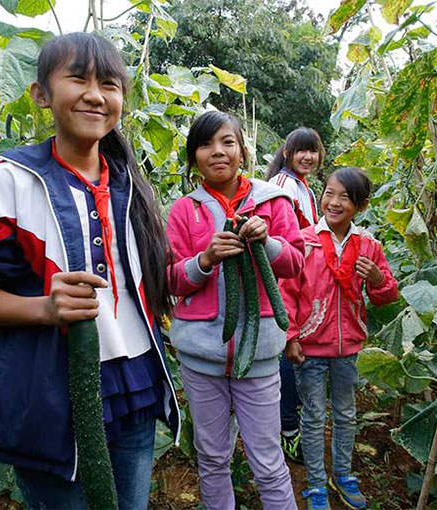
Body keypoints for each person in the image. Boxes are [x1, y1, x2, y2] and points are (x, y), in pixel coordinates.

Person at [0, 32, 180, 509]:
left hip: (133, 383)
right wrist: (45, 308)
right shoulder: (7, 181)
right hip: (47, 397)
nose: (95, 95)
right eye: (78, 79)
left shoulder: (132, 185)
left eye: (109, 84)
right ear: (41, 94)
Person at [166, 110, 304, 510]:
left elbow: (296, 264)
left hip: (259, 354)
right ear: (193, 158)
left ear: (243, 151)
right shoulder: (183, 210)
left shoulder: (274, 202)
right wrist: (204, 260)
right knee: (211, 458)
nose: (217, 151)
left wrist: (269, 243)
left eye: (227, 142)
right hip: (200, 357)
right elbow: (170, 280)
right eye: (205, 144)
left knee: (268, 462)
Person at [280, 167, 399, 510]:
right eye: (329, 193)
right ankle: (317, 483)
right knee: (313, 416)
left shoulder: (368, 246)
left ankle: (343, 474)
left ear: (360, 205)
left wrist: (377, 279)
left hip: (348, 349)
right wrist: (291, 337)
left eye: (345, 197)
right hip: (310, 350)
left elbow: (386, 296)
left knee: (346, 414)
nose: (334, 202)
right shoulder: (305, 241)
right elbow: (287, 293)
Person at [265, 127, 326, 463]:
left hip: (297, 275)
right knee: (289, 349)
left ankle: (289, 420)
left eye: (312, 151)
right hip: (285, 278)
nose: (307, 157)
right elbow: (283, 235)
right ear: (287, 152)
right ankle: (287, 427)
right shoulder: (283, 185)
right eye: (301, 150)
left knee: (293, 347)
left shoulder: (301, 185)